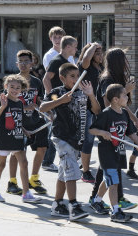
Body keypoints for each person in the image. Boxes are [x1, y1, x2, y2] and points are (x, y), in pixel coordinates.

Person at [40, 63, 100, 220]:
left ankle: (58, 205)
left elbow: (96, 110)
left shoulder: (82, 93)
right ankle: (73, 205)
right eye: (72, 76)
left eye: (78, 75)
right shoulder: (57, 93)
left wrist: (91, 94)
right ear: (62, 78)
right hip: (62, 138)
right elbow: (43, 107)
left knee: (64, 173)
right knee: (72, 172)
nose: (76, 79)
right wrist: (60, 100)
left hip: (77, 140)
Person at [89, 48, 138, 212]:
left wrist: (132, 117)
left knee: (109, 168)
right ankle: (115, 203)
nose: (126, 63)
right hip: (108, 127)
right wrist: (127, 89)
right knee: (111, 168)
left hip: (116, 128)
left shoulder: (114, 77)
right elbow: (108, 103)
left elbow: (121, 106)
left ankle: (97, 198)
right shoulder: (107, 79)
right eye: (124, 59)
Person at [89, 84, 138, 222]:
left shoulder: (125, 113)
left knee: (108, 179)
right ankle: (115, 211)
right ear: (115, 99)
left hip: (118, 152)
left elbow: (131, 132)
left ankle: (97, 200)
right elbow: (92, 129)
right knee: (114, 182)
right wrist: (102, 132)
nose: (127, 97)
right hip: (106, 153)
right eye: (125, 95)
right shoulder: (106, 114)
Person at [0, 74, 41, 203]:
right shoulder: (2, 100)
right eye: (12, 86)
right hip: (4, 138)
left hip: (18, 137)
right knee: (1, 165)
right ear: (6, 86)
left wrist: (25, 131)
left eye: (18, 88)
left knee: (24, 163)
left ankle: (26, 193)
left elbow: (18, 120)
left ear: (21, 89)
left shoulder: (19, 103)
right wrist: (2, 106)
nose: (14, 90)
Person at [7, 50, 49, 196]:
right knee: (17, 152)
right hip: (18, 122)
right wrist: (24, 107)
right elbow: (7, 104)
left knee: (43, 147)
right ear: (17, 64)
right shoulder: (13, 82)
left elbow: (38, 99)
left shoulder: (37, 81)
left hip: (35, 120)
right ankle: (12, 182)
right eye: (21, 61)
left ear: (32, 63)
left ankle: (34, 179)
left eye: (26, 61)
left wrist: (47, 108)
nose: (23, 64)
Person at [41, 35, 78, 173]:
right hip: (56, 101)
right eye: (74, 46)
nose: (76, 49)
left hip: (63, 100)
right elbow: (46, 79)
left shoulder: (67, 60)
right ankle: (47, 161)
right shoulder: (57, 61)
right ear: (67, 47)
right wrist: (54, 99)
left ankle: (71, 156)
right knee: (54, 131)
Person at [77, 42, 104, 183]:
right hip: (87, 107)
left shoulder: (102, 67)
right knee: (88, 140)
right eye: (97, 53)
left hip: (100, 107)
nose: (100, 56)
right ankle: (85, 172)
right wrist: (93, 45)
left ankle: (103, 167)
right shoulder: (85, 66)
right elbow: (86, 58)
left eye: (101, 53)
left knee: (102, 139)